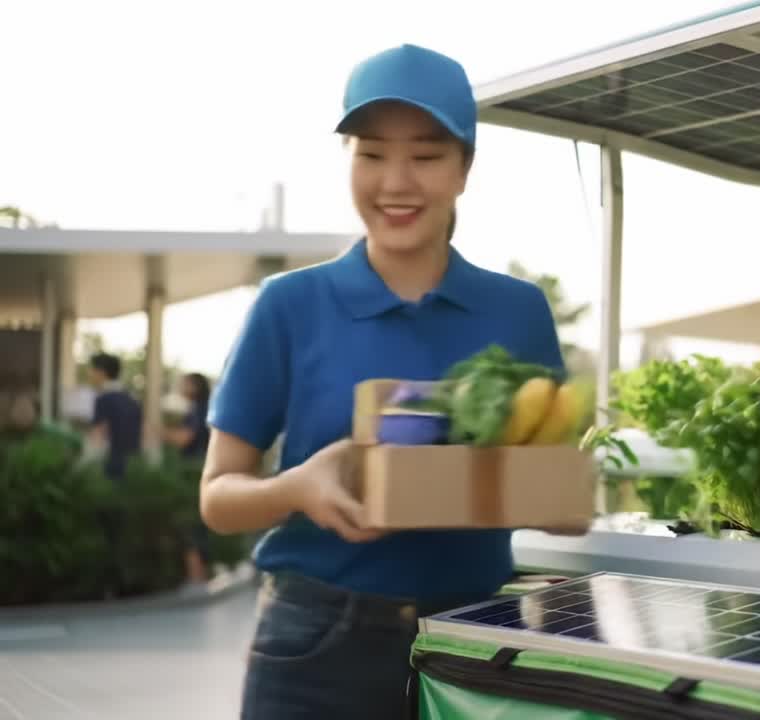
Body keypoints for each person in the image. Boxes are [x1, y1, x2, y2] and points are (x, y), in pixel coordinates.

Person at [199, 43, 564, 719]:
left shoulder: (518, 311)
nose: (396, 182)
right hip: (317, 643)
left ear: (465, 169)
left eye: (425, 155)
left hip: (478, 640)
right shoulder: (289, 304)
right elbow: (219, 498)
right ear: (348, 161)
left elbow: (552, 493)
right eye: (371, 153)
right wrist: (297, 487)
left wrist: (554, 489)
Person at [163, 372, 213, 584]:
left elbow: (186, 438)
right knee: (199, 523)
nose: (181, 386)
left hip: (194, 471)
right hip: (201, 469)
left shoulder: (197, 411)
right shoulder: (208, 409)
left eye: (185, 382)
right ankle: (201, 573)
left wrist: (159, 432)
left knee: (190, 523)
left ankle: (196, 576)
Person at [87, 352, 143, 481]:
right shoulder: (131, 398)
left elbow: (99, 433)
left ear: (101, 372)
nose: (90, 374)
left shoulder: (104, 398)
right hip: (132, 463)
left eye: (92, 369)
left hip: (110, 463)